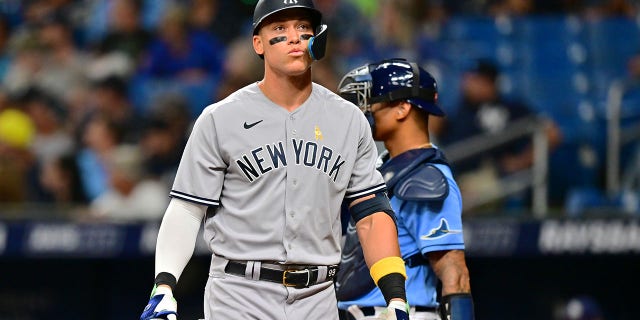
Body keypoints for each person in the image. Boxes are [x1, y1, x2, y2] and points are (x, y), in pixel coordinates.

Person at [140, 1, 409, 320]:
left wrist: (396, 296)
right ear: (258, 43)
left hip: (318, 297)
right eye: (280, 28)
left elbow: (371, 212)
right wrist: (164, 285)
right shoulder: (220, 118)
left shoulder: (349, 120)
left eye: (303, 28)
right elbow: (187, 207)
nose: (294, 37)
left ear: (317, 38)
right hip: (239, 294)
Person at [336, 59, 475, 320]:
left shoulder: (425, 176)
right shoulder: (382, 167)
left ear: (401, 108)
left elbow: (454, 272)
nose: (365, 110)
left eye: (372, 101)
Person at [431, 58, 561, 212]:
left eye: (475, 79)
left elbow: (552, 133)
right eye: (468, 78)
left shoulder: (511, 108)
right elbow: (430, 129)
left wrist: (521, 162)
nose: (468, 83)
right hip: (456, 174)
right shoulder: (459, 110)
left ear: (490, 82)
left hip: (493, 176)